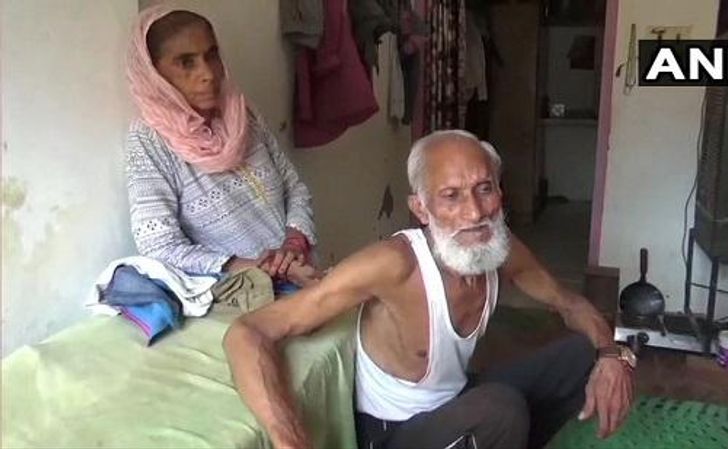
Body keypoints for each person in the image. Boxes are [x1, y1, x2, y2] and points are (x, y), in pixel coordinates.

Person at [223, 130, 634, 449]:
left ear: (499, 192)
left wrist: (612, 356)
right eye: (451, 196)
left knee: (582, 353)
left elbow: (568, 302)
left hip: (453, 402)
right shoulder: (395, 264)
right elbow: (248, 332)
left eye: (484, 189)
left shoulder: (498, 247)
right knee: (501, 411)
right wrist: (290, 441)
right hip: (393, 435)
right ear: (421, 208)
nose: (474, 212)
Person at [125, 6, 316, 279]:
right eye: (186, 62)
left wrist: (293, 244)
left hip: (299, 271)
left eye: (211, 55)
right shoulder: (149, 141)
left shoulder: (241, 114)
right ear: (153, 73)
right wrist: (255, 267)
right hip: (239, 290)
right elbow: (160, 246)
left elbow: (293, 187)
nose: (208, 73)